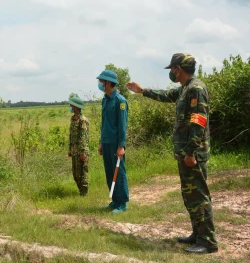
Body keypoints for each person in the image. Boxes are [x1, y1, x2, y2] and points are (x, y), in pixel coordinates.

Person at [126, 53, 218, 254]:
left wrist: (191, 152)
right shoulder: (185, 89)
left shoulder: (196, 88)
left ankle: (208, 241)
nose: (171, 73)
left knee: (199, 196)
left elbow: (198, 122)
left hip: (193, 154)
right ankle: (198, 234)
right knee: (190, 195)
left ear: (179, 68)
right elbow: (167, 96)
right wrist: (142, 91)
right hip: (186, 153)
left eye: (172, 69)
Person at [97, 70, 129, 213]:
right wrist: (101, 142)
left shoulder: (120, 101)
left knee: (119, 172)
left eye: (102, 81)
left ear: (108, 83)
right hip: (106, 142)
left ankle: (122, 203)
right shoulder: (105, 100)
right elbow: (104, 123)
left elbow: (122, 125)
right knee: (110, 172)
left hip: (116, 144)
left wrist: (121, 146)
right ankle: (114, 201)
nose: (100, 84)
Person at [68, 94, 90, 196]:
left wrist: (83, 152)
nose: (70, 107)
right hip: (74, 151)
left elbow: (83, 137)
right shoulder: (73, 119)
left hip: (82, 151)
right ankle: (80, 191)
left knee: (83, 174)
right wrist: (70, 149)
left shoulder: (83, 120)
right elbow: (71, 136)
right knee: (75, 174)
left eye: (72, 105)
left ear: (76, 107)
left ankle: (84, 194)